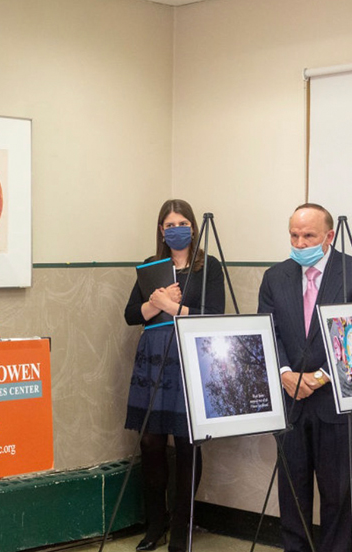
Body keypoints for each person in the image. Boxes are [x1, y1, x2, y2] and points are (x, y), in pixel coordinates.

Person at [257, 203, 352, 552]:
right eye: (294, 235)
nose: (299, 242)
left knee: (339, 496)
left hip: (340, 404)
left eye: (308, 235)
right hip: (290, 402)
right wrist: (284, 373)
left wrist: (321, 377)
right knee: (292, 493)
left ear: (329, 236)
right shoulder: (274, 277)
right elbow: (268, 332)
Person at [124, 199, 225, 552]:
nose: (176, 228)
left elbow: (214, 315)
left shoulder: (207, 266)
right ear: (161, 231)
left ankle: (182, 527)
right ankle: (156, 525)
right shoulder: (152, 266)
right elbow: (131, 315)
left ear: (193, 227)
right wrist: (155, 304)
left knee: (186, 443)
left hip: (191, 358)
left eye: (182, 222)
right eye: (169, 224)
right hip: (153, 360)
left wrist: (172, 308)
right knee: (151, 443)